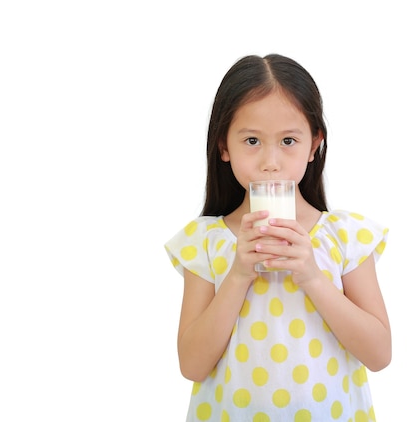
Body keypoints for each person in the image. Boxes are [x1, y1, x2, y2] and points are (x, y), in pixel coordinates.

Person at [165, 53, 391, 421]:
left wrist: (314, 277)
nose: (271, 160)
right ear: (224, 146)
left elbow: (380, 354)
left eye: (288, 140)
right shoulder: (205, 241)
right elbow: (191, 365)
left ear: (314, 143)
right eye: (252, 140)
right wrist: (238, 274)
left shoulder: (346, 236)